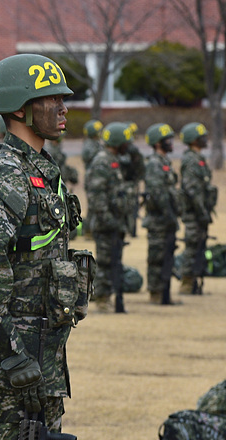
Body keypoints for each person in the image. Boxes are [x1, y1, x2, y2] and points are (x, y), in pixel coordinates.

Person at [0, 53, 90, 440]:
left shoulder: (42, 169)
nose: (63, 108)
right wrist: (13, 354)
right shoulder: (6, 172)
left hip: (40, 355)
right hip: (8, 364)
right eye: (51, 99)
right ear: (21, 109)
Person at [85, 121, 133, 313]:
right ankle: (102, 299)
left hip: (115, 222)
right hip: (106, 224)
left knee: (114, 260)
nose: (128, 146)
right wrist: (108, 220)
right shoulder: (102, 161)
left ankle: (109, 297)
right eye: (126, 142)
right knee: (105, 262)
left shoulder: (113, 160)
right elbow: (97, 196)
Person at [142, 123, 180, 304]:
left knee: (167, 256)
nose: (171, 143)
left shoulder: (165, 162)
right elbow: (158, 193)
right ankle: (156, 295)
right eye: (167, 140)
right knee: (157, 257)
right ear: (157, 143)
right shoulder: (155, 164)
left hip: (168, 218)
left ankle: (165, 294)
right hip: (159, 220)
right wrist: (168, 215)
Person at [178, 122, 217, 295]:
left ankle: (195, 282)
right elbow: (192, 190)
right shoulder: (191, 160)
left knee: (200, 246)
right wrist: (202, 212)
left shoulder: (199, 159)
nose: (205, 139)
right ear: (193, 140)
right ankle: (187, 284)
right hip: (194, 213)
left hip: (201, 212)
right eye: (202, 136)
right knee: (192, 246)